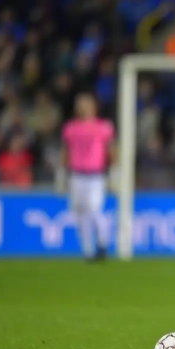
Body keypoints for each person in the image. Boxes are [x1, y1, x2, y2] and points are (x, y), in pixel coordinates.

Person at [60, 92, 117, 261]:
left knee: (93, 209)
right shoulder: (71, 128)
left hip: (95, 175)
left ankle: (102, 241)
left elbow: (111, 150)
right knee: (79, 213)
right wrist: (62, 172)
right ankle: (88, 250)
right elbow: (66, 151)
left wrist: (115, 171)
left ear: (93, 107)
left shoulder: (103, 127)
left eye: (85, 104)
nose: (82, 108)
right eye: (79, 105)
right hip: (76, 174)